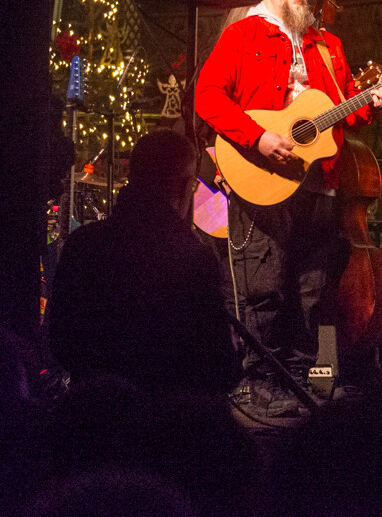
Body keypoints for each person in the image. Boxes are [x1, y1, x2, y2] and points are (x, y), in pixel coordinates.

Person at [194, 0, 382, 415]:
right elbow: (207, 96)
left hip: (319, 182)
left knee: (313, 288)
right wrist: (259, 137)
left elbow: (342, 115)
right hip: (261, 176)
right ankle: (260, 384)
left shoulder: (328, 46)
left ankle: (302, 381)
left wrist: (371, 103)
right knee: (263, 285)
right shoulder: (243, 35)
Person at [45, 130, 240, 396]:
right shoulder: (194, 258)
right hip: (168, 421)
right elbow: (221, 368)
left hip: (98, 417)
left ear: (132, 177)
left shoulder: (83, 244)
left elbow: (59, 342)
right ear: (183, 186)